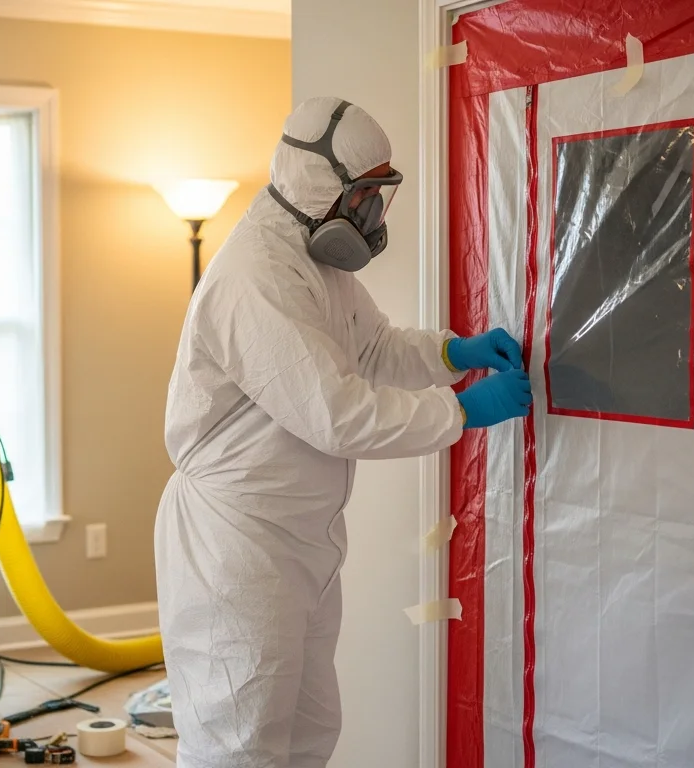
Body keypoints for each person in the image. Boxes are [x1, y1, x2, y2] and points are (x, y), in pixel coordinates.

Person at [153, 96, 532, 768]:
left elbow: (375, 347)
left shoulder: (313, 259)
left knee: (307, 731)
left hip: (299, 542)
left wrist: (455, 353)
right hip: (237, 545)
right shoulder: (254, 277)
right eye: (363, 198)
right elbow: (338, 414)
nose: (371, 217)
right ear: (318, 186)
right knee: (237, 745)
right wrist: (464, 413)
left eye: (377, 198)